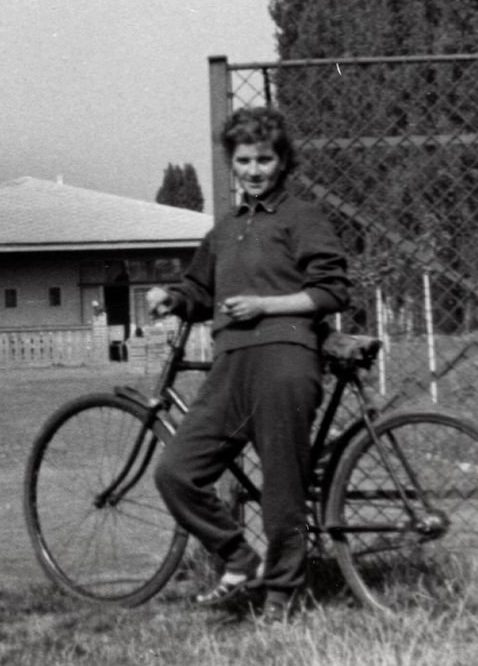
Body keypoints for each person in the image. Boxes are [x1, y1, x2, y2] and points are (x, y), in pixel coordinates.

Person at [147, 106, 350, 620]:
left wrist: (266, 305)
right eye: (244, 160)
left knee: (283, 484)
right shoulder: (225, 229)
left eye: (265, 159)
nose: (255, 170)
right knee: (176, 470)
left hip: (286, 359)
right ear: (232, 164)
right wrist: (173, 298)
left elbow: (330, 291)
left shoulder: (301, 217)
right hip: (231, 365)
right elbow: (199, 288)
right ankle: (240, 558)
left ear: (282, 162)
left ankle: (282, 593)